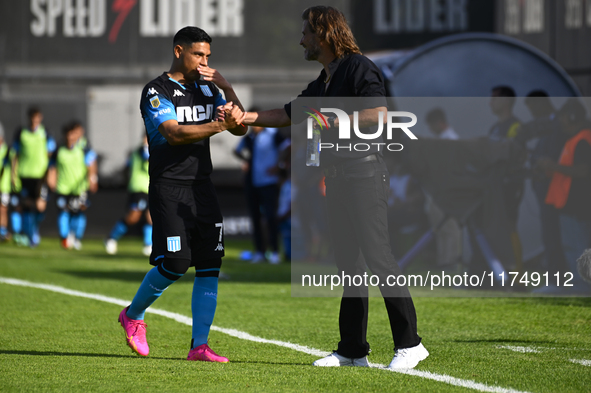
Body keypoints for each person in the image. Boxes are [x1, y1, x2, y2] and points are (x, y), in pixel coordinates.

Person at [241, 6, 428, 369]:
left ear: (324, 33)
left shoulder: (359, 67)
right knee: (350, 266)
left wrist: (330, 120)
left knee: (378, 257)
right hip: (339, 179)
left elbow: (379, 115)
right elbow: (288, 113)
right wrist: (244, 117)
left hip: (364, 174)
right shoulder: (325, 79)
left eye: (306, 33)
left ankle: (410, 343)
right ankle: (353, 350)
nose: (301, 40)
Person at [118, 26, 247, 362]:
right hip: (169, 188)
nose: (205, 62)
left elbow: (242, 126)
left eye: (208, 55)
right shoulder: (156, 90)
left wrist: (228, 90)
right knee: (175, 263)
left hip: (203, 188)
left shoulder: (209, 87)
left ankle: (199, 346)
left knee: (209, 265)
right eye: (198, 54)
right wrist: (219, 126)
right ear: (179, 51)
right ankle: (133, 315)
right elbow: (173, 134)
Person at [540, 98, 591, 293]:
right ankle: (580, 285)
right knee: (575, 246)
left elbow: (583, 171)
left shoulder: (582, 140)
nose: (560, 121)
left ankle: (582, 287)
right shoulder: (577, 139)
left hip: (576, 206)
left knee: (576, 248)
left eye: (563, 117)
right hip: (572, 204)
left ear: (572, 117)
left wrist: (552, 166)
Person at [520, 91, 568, 281]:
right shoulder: (549, 126)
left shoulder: (557, 126)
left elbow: (555, 157)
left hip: (555, 191)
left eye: (532, 107)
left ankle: (559, 278)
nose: (531, 113)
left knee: (555, 235)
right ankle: (557, 275)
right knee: (551, 235)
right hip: (548, 191)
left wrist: (538, 161)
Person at [233, 115, 287, 264]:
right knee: (255, 218)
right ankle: (259, 252)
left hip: (268, 181)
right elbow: (237, 150)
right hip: (252, 181)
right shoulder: (249, 137)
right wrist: (245, 161)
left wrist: (279, 165)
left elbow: (288, 146)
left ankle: (275, 251)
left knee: (270, 217)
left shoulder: (273, 134)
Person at [487, 86, 524, 271]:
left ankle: (517, 275)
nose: (490, 102)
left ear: (507, 101)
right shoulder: (494, 127)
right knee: (498, 228)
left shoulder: (515, 126)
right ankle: (503, 271)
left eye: (495, 98)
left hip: (510, 184)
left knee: (510, 225)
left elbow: (513, 154)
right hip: (495, 185)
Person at [47, 121, 98, 250]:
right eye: (68, 135)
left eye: (73, 135)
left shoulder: (83, 149)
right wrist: (51, 179)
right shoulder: (59, 150)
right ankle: (64, 238)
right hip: (63, 187)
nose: (70, 138)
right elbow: (52, 167)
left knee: (78, 213)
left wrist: (92, 180)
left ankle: (76, 237)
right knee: (63, 212)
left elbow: (91, 166)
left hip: (79, 188)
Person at [11, 107, 56, 247]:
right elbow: (15, 156)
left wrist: (51, 174)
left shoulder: (45, 133)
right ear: (29, 118)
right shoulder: (21, 133)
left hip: (40, 176)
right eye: (32, 117)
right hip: (25, 175)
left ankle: (33, 230)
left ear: (40, 118)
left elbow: (51, 156)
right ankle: (29, 235)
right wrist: (13, 174)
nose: (34, 120)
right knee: (26, 206)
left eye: (37, 118)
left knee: (40, 207)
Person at [105, 136, 153, 256]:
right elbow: (145, 157)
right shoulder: (142, 150)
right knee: (133, 217)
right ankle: (111, 238)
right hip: (139, 188)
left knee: (151, 217)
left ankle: (148, 244)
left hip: (150, 188)